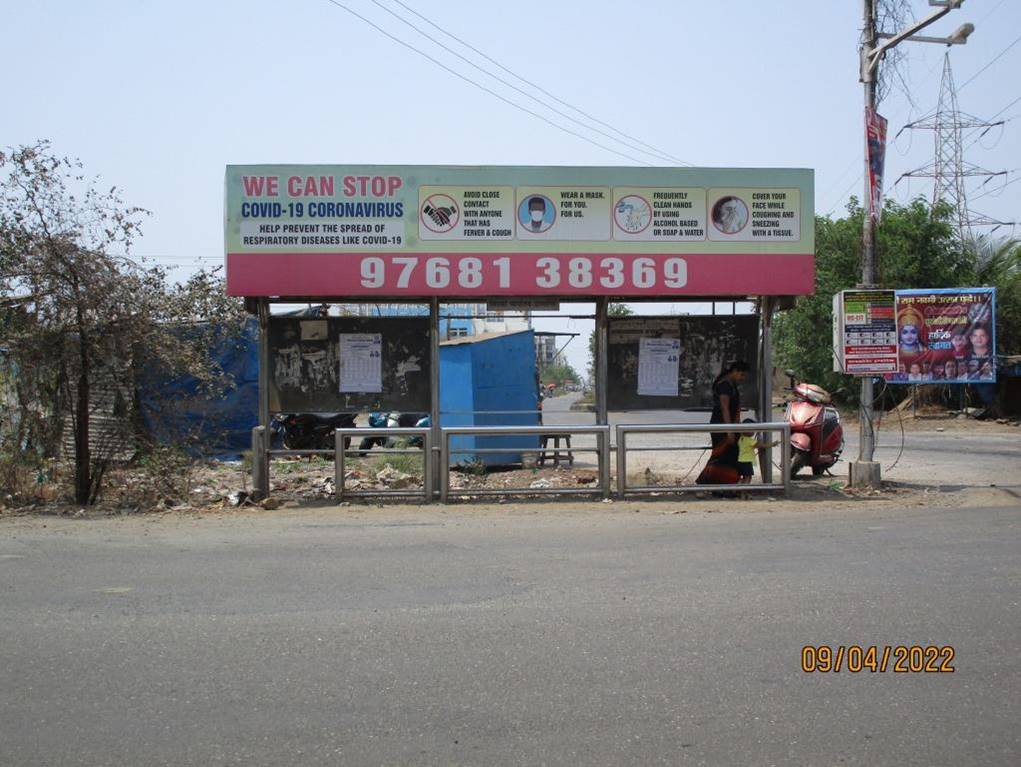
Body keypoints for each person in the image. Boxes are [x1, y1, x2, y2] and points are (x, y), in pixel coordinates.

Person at [709, 360, 750, 473]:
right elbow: (725, 408)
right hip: (722, 426)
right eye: (742, 375)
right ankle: (717, 485)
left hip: (731, 426)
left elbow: (737, 407)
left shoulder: (732, 385)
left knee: (731, 456)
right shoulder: (724, 385)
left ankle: (728, 484)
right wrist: (729, 431)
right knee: (721, 456)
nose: (742, 378)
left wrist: (737, 427)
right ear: (734, 371)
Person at [737, 418, 779, 485]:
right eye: (752, 430)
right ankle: (743, 492)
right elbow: (761, 445)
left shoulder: (741, 438)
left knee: (743, 478)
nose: (754, 432)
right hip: (747, 462)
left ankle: (738, 490)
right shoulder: (750, 441)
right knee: (748, 478)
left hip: (740, 461)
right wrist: (773, 444)